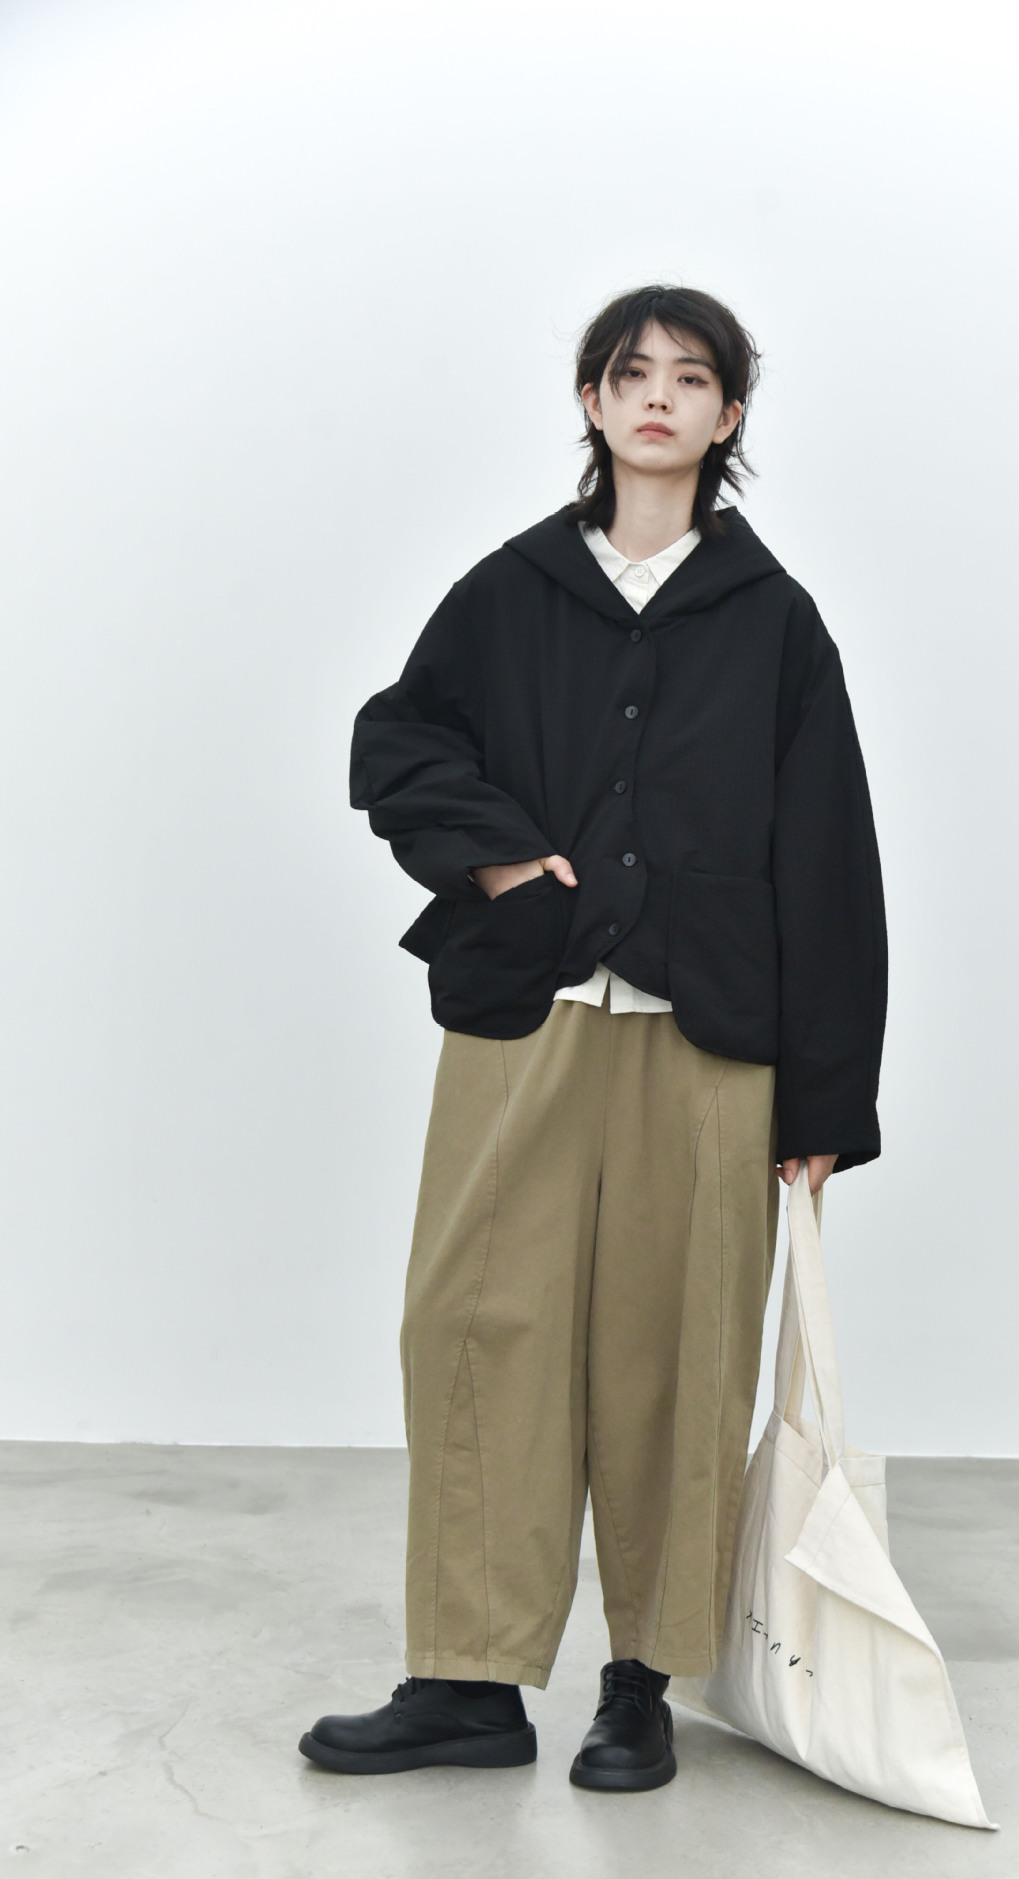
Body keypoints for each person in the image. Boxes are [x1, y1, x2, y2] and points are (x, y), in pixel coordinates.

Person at [299, 285, 888, 1793]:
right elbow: (399, 740)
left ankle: (640, 1683)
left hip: (711, 1039)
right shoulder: (512, 592)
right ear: (590, 400)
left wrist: (823, 1099)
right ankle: (467, 1682)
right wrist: (501, 858)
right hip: (531, 1018)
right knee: (472, 1327)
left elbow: (828, 857)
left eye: (690, 379)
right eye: (630, 374)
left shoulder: (773, 620)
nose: (657, 397)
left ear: (728, 416)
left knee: (673, 1354)